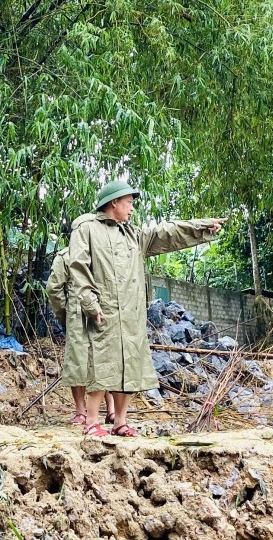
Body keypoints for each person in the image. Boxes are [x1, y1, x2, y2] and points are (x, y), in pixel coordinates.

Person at [69, 180, 226, 437]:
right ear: (114, 202)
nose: (132, 208)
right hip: (103, 309)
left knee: (130, 366)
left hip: (131, 311)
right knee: (101, 364)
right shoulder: (86, 228)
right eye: (129, 202)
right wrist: (89, 302)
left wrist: (202, 227)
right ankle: (92, 422)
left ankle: (120, 421)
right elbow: (78, 266)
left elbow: (168, 233)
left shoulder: (134, 234)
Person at [45, 213, 96, 424]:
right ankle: (111, 410)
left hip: (77, 315)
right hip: (104, 311)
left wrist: (65, 314)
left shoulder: (65, 256)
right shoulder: (101, 252)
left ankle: (81, 411)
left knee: (78, 361)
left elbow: (54, 289)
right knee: (106, 358)